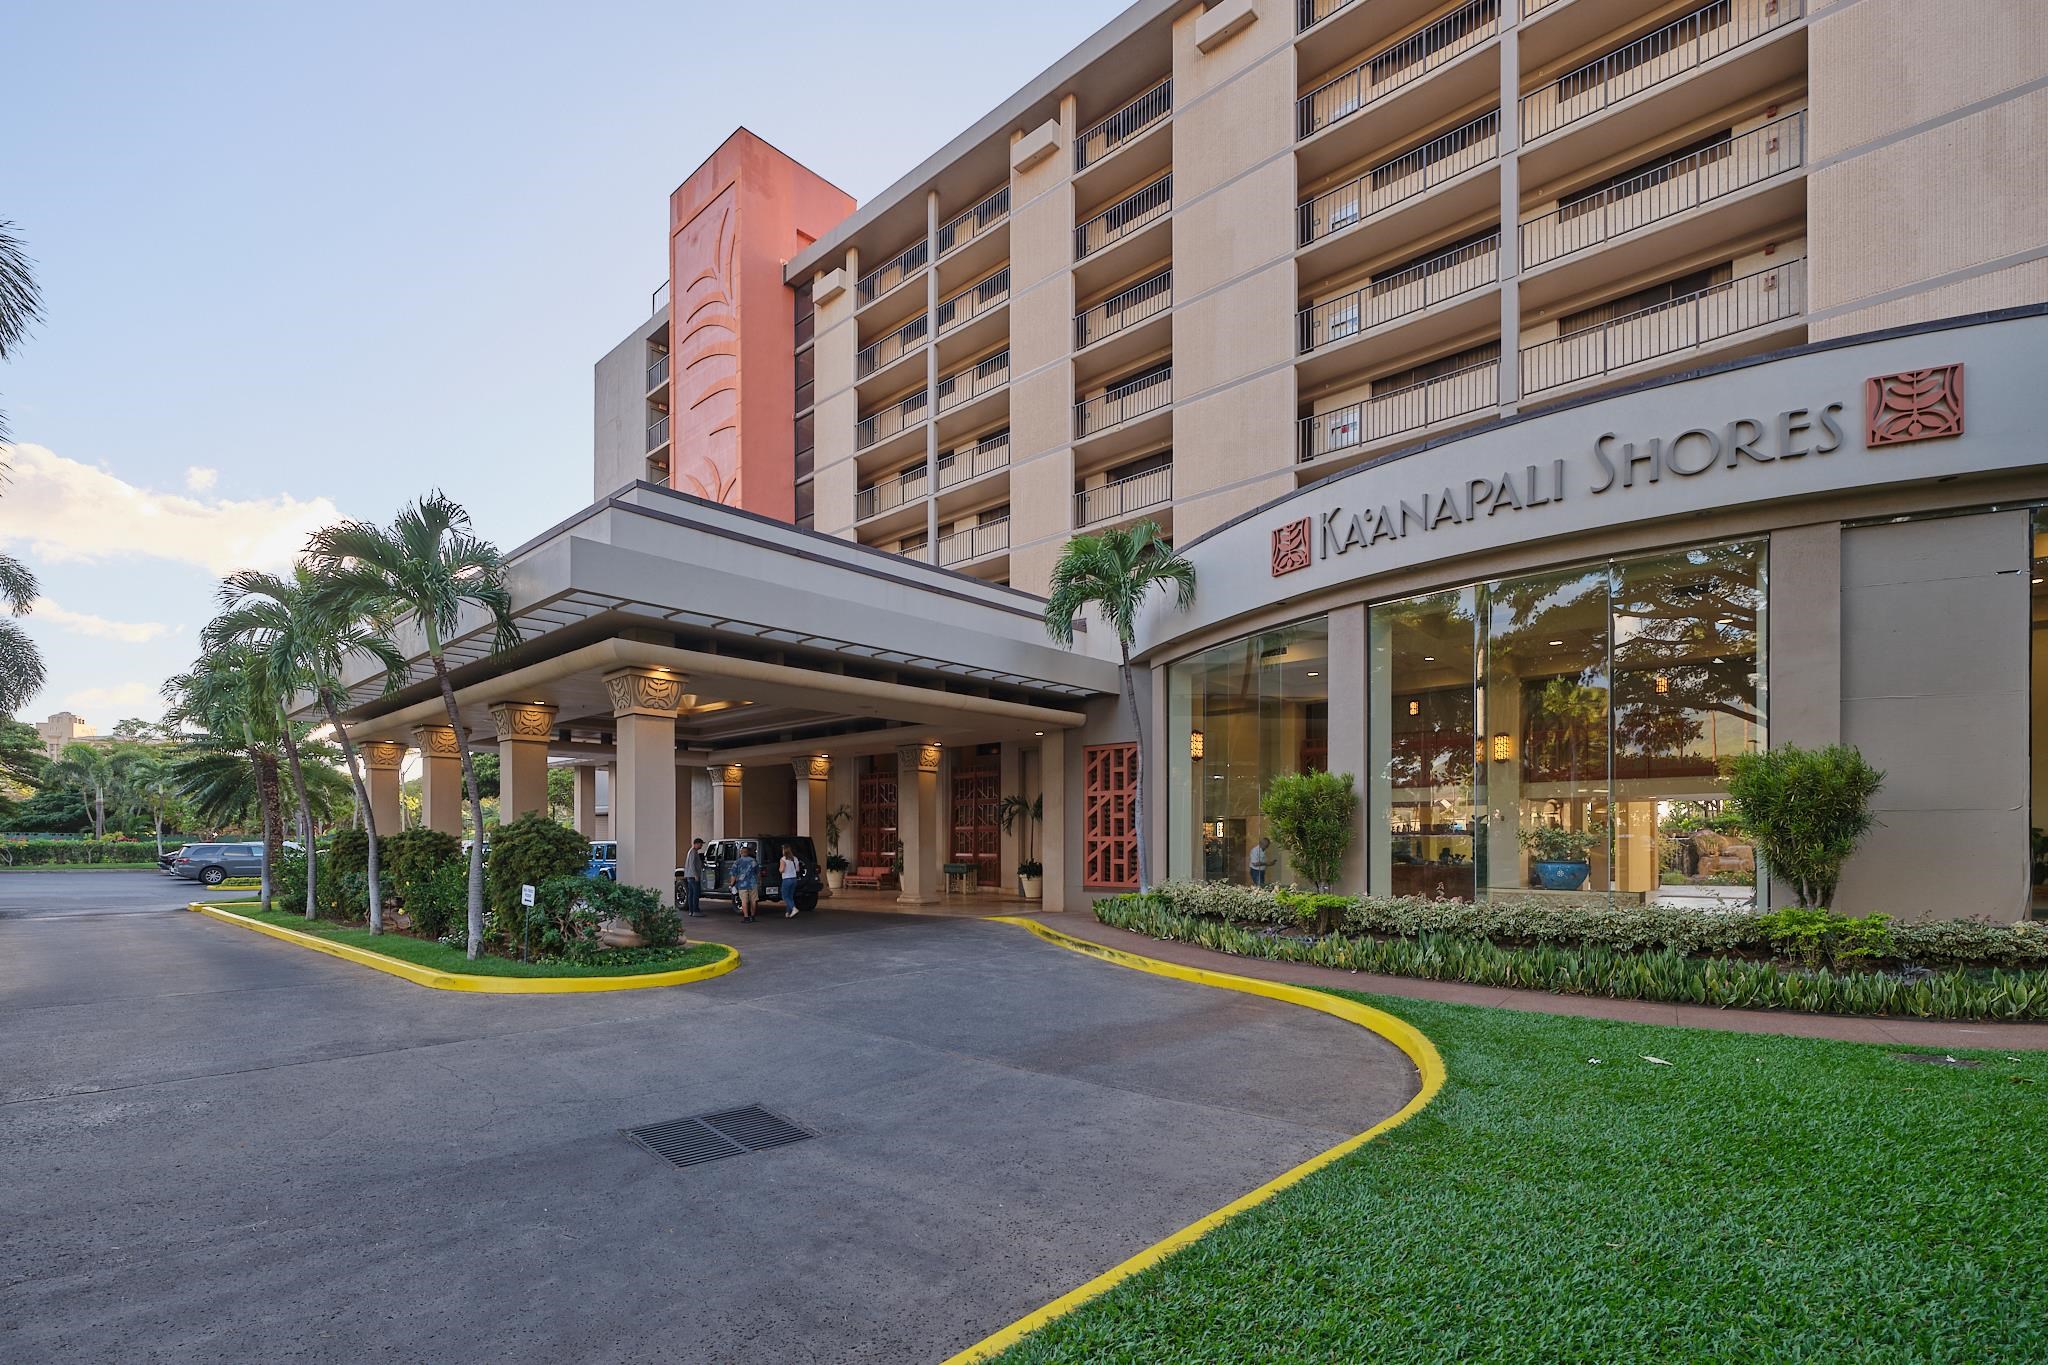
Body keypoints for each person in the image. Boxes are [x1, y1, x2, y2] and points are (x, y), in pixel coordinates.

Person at [731, 843, 760, 923]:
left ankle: (746, 917)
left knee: (744, 901)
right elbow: (758, 873)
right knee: (753, 901)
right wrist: (759, 881)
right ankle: (753, 916)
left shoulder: (737, 862)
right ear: (748, 853)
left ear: (741, 853)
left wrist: (732, 884)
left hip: (742, 884)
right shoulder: (753, 861)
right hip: (753, 884)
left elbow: (733, 875)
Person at [682, 838, 706, 918]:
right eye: (700, 844)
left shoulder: (692, 851)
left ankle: (691, 911)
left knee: (691, 894)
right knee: (695, 894)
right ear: (696, 844)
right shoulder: (693, 852)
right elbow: (692, 864)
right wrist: (695, 875)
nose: (701, 845)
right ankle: (695, 910)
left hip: (690, 876)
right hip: (693, 876)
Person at [779, 845, 801, 919]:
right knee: (790, 896)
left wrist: (780, 869)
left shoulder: (783, 859)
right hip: (794, 879)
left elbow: (782, 870)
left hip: (786, 879)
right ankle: (788, 912)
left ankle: (794, 908)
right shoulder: (795, 859)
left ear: (784, 851)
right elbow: (797, 870)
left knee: (785, 896)